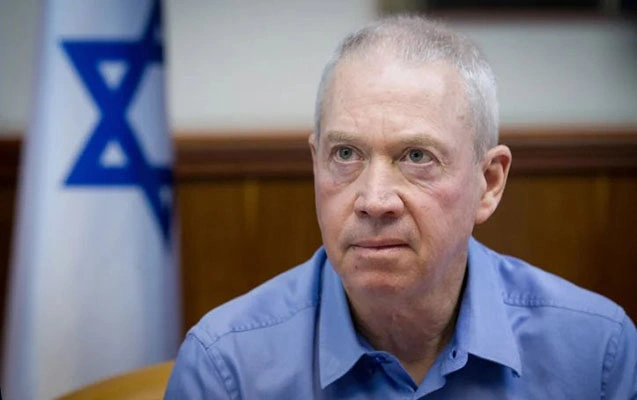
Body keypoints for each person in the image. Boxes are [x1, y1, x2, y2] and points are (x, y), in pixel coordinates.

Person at [165, 15, 637, 399]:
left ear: (489, 183)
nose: (374, 201)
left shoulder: (597, 353)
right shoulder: (227, 368)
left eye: (416, 157)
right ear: (315, 165)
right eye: (345, 154)